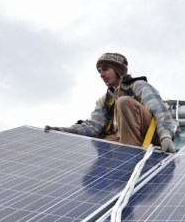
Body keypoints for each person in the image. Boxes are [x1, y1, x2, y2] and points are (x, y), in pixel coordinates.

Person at [45, 52, 177, 153]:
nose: (101, 74)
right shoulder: (105, 100)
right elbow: (93, 127)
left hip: (150, 136)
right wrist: (64, 131)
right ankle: (118, 165)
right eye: (99, 71)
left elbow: (160, 110)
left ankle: (129, 156)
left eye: (105, 69)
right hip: (122, 140)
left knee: (123, 102)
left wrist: (165, 136)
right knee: (98, 145)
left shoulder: (138, 85)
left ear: (118, 70)